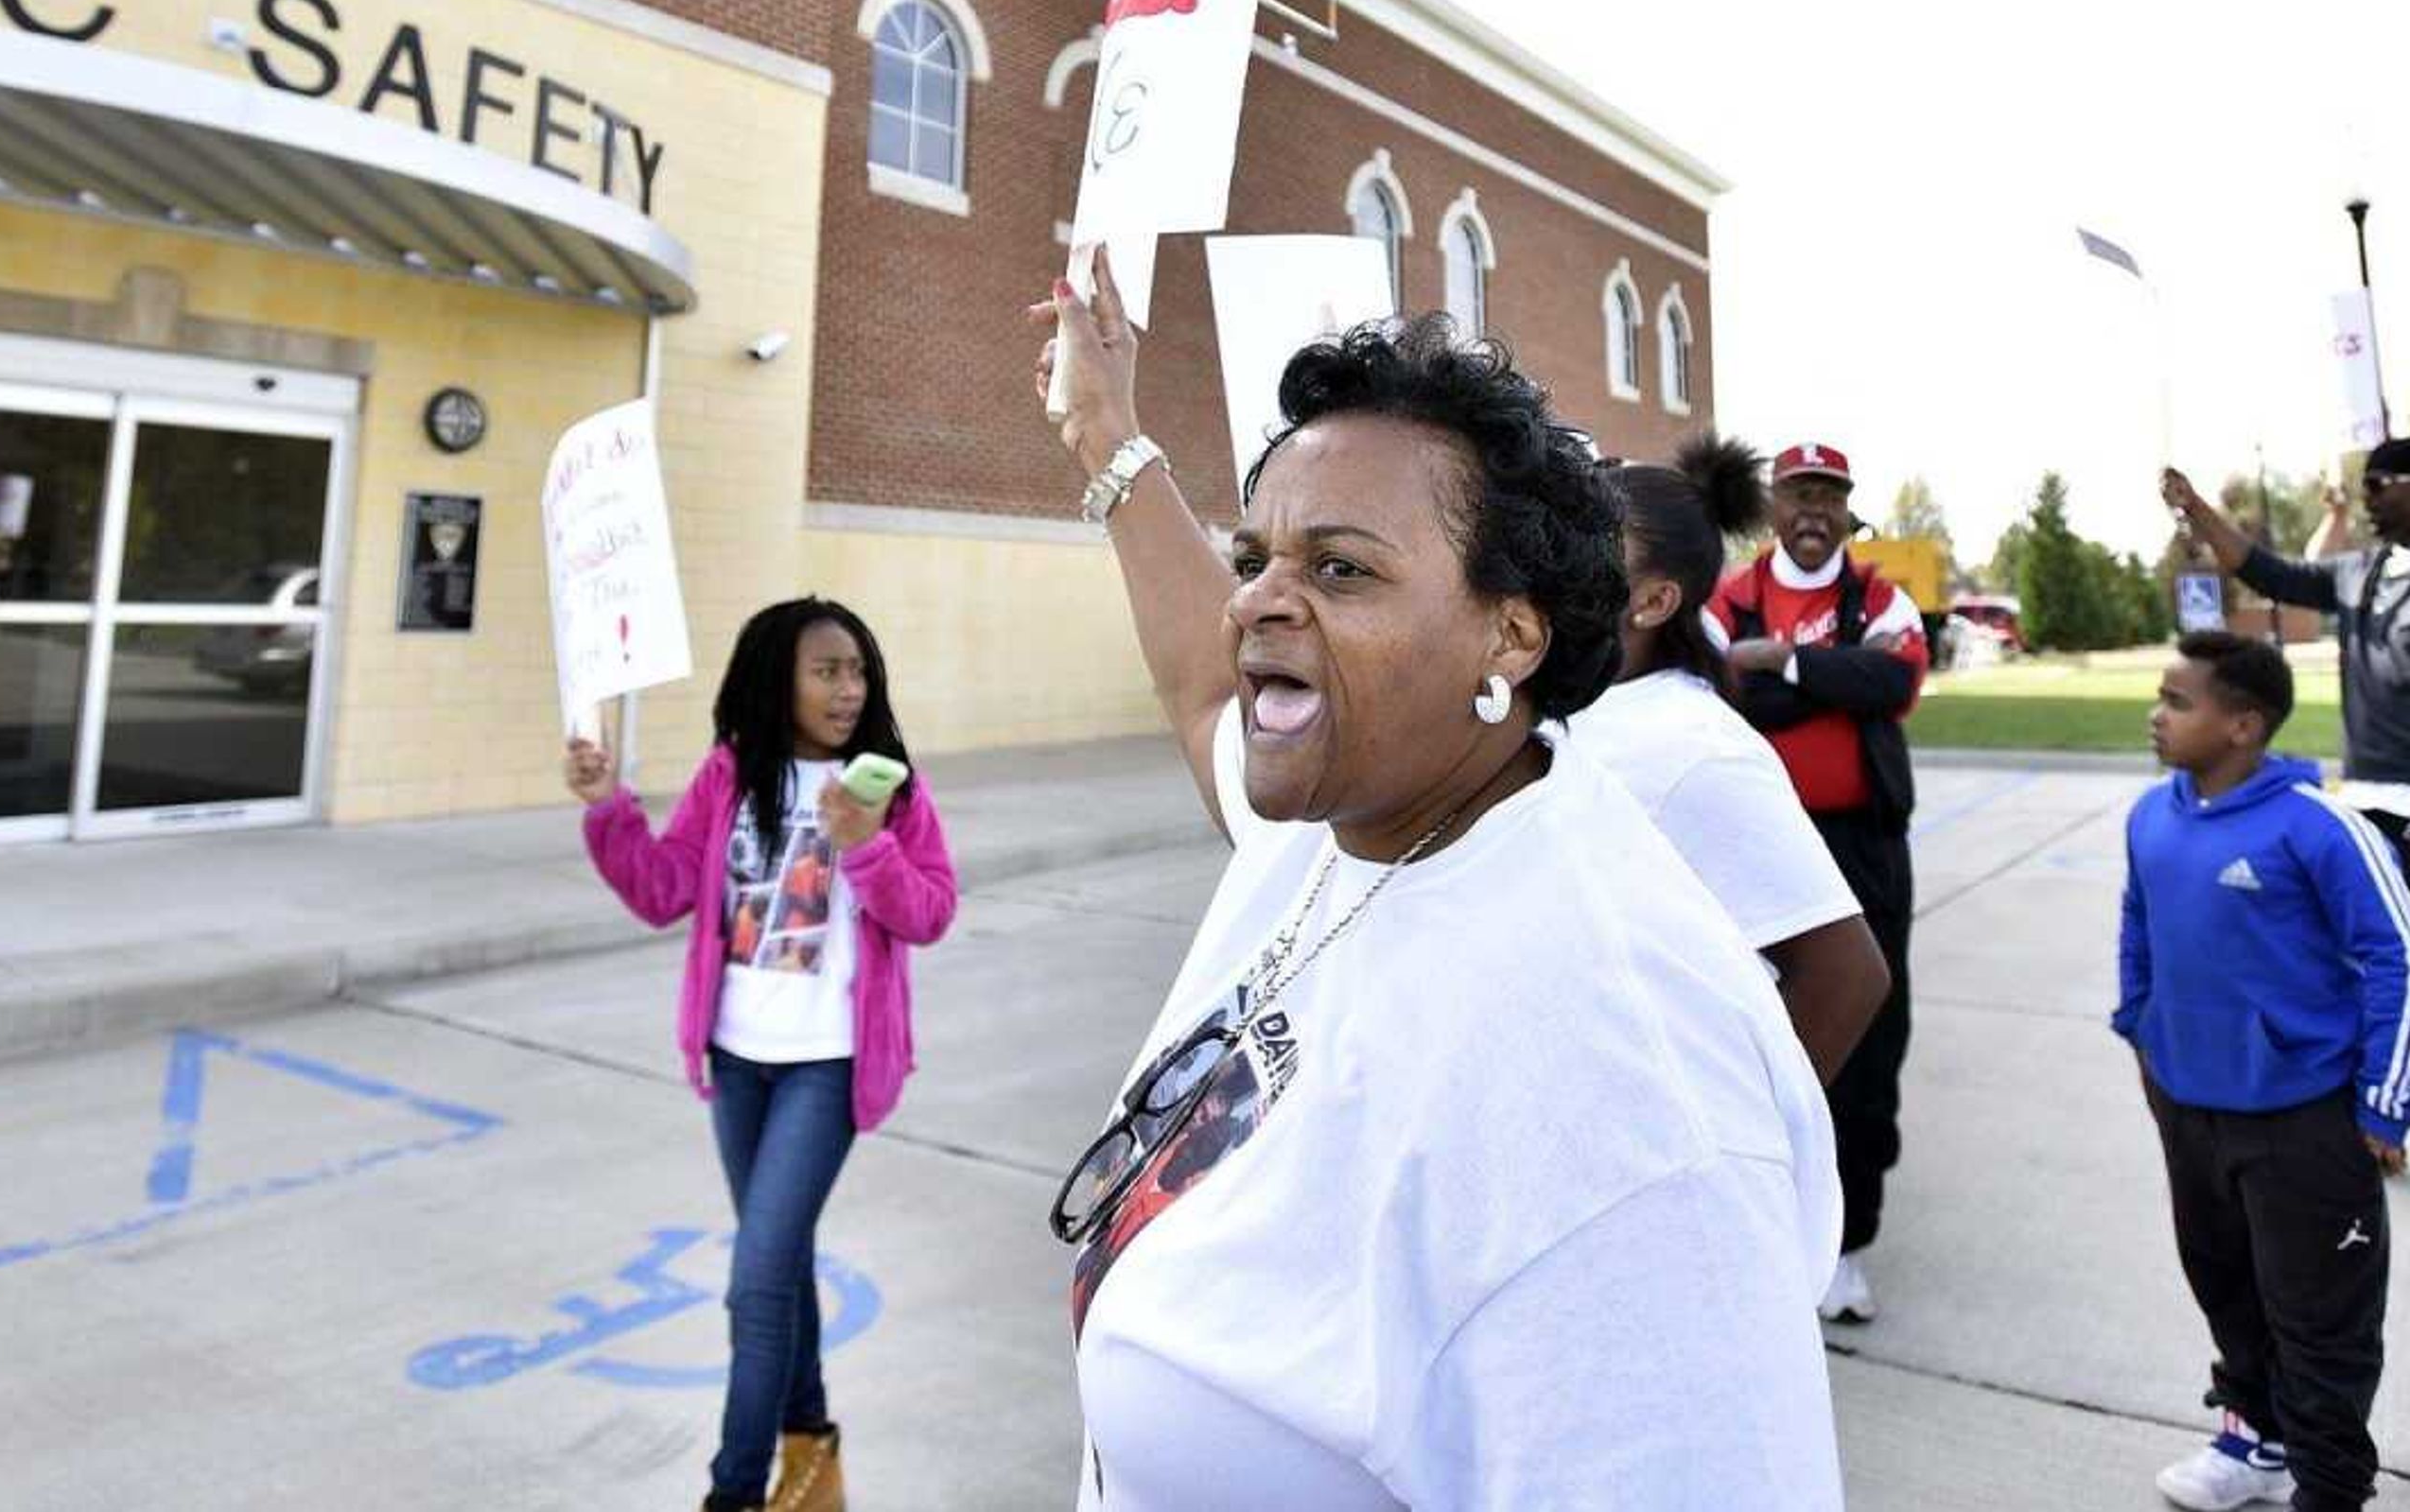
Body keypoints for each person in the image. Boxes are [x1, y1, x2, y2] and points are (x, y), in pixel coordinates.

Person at [1038, 249, 1845, 1506]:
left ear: (1511, 632)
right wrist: (1108, 430)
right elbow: (1204, 684)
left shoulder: (1630, 1112)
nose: (1256, 599)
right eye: (1257, 553)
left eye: (1340, 566)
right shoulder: (1349, 814)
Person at [565, 599, 959, 1512]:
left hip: (827, 1067)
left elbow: (931, 911)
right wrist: (608, 809)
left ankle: (733, 1492)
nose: (849, 688)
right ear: (777, 676)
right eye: (827, 670)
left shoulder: (888, 788)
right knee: (778, 1270)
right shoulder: (730, 776)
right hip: (738, 1064)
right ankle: (813, 1457)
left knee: (754, 1288)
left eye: (858, 670)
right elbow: (665, 889)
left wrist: (868, 848)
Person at [2162, 440, 2410, 1222]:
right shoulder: (2364, 569)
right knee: (2365, 979)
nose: (2364, 494)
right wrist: (2198, 511)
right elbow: (2269, 571)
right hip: (2363, 805)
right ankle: (2383, 1114)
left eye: (2382, 481)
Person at [2119, 631, 2410, 1511]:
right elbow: (2138, 923)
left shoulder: (2316, 825)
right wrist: (2139, 1028)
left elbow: (2402, 955)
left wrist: (2385, 1102)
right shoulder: (2153, 815)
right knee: (2224, 1282)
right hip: (2188, 1104)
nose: (2159, 713)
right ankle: (2253, 1438)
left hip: (2304, 1116)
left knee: (2320, 1318)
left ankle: (2330, 1487)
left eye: (2179, 701)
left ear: (2244, 725)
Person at [1567, 434, 1894, 1100]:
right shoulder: (1574, 704)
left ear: (1654, 602)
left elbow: (1847, 974)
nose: (1561, 558)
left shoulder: (1694, 746)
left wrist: (1746, 1136)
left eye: (1594, 543)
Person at [1710, 438, 1930, 1323]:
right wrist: (1822, 682)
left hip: (1864, 843)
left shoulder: (1878, 593)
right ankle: (1766, 1208)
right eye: (1797, 495)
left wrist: (1787, 665)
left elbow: (1895, 679)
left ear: (1847, 507)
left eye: (1827, 497)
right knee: (1751, 1025)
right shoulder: (1734, 594)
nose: (1812, 512)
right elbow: (1723, 689)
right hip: (1755, 844)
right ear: (1773, 504)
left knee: (1871, 1027)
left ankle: (1850, 1241)